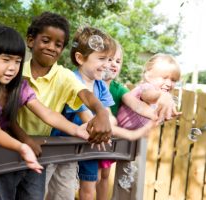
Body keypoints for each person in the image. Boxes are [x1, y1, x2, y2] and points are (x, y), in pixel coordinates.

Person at [0, 23, 90, 200]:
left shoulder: (19, 88)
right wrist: (22, 146)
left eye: (18, 61)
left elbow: (47, 113)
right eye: (6, 59)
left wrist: (75, 129)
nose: (12, 67)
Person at [0, 12, 112, 200]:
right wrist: (24, 139)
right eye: (46, 40)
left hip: (39, 152)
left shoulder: (64, 76)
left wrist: (101, 113)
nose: (51, 47)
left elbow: (85, 95)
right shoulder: (15, 71)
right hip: (7, 149)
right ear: (31, 40)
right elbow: (5, 116)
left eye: (58, 44)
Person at [46, 27, 117, 200]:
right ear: (80, 58)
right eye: (102, 58)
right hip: (56, 146)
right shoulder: (72, 80)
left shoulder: (101, 86)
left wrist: (106, 125)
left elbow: (109, 117)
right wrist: (102, 126)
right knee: (42, 188)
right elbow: (87, 116)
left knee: (66, 192)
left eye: (109, 59)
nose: (107, 64)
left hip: (83, 146)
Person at [96, 40, 158, 200]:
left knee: (104, 175)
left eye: (118, 61)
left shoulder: (118, 88)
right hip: (90, 135)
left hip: (108, 137)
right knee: (91, 176)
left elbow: (136, 104)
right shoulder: (91, 84)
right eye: (109, 59)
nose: (114, 64)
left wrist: (153, 115)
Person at [116, 53, 181, 130]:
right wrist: (161, 95)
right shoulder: (146, 88)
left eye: (173, 80)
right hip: (114, 135)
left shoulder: (159, 101)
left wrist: (162, 116)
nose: (169, 84)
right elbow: (148, 95)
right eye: (164, 78)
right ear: (148, 76)